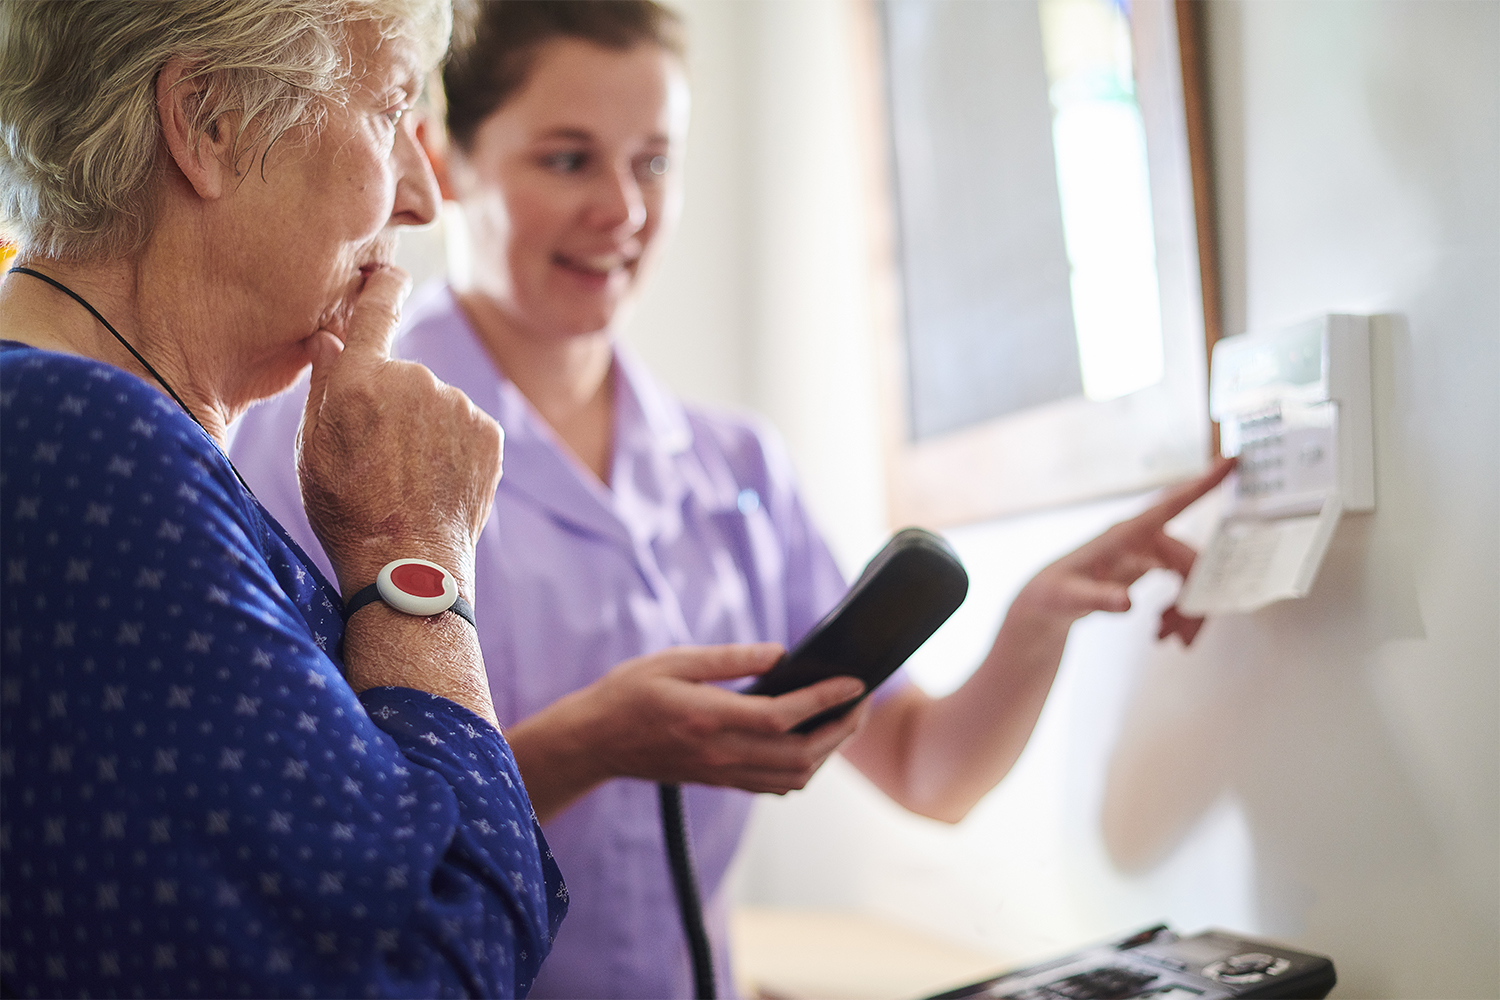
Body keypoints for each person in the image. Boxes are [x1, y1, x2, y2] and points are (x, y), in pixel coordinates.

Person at [229, 2, 1233, 996]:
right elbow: (321, 843)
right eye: (569, 159)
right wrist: (594, 742)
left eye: (654, 161)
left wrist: (1035, 621)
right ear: (446, 158)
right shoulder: (328, 446)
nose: (622, 209)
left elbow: (930, 770)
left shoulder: (740, 465)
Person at [0, 2, 567, 996]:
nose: (423, 196)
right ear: (210, 120)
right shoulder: (89, 448)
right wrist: (410, 542)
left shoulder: (73, 428)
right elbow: (429, 962)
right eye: (392, 110)